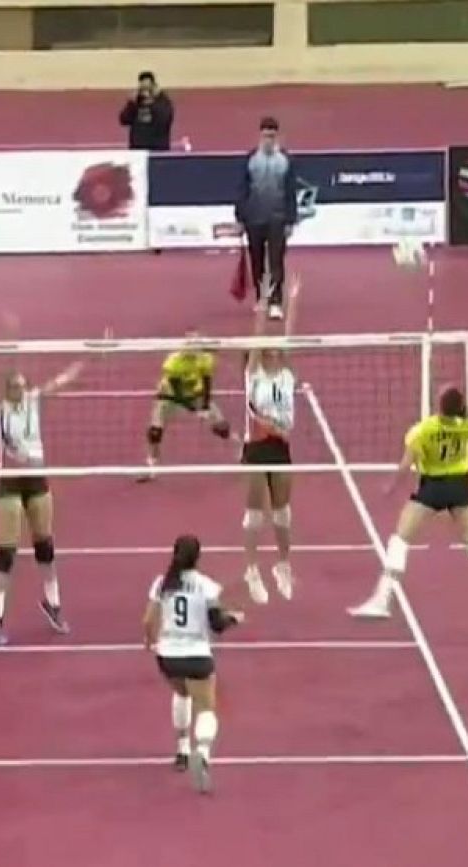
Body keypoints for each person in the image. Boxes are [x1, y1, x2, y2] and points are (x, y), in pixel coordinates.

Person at [350, 384, 468, 628]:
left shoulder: (422, 430)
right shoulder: (467, 427)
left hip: (433, 488)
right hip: (462, 486)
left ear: (440, 404)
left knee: (400, 540)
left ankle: (382, 600)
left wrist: (391, 486)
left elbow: (407, 464)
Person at [0, 334, 108, 645]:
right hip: (10, 483)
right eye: (15, 387)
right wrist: (10, 344)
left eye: (23, 385)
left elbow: (64, 379)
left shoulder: (33, 400)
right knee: (7, 552)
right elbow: (2, 378)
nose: (21, 390)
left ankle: (53, 604)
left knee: (45, 545)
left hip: (38, 479)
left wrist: (91, 355)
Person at [142, 534, 245, 794]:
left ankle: (182, 750)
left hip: (167, 657)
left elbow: (147, 620)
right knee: (207, 707)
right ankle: (203, 751)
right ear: (198, 557)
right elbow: (216, 625)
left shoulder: (162, 584)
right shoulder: (207, 586)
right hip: (197, 656)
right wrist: (234, 618)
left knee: (181, 693)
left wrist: (149, 640)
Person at [240, 281, 299, 604]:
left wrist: (292, 300)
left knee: (282, 512)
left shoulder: (288, 374)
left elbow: (289, 333)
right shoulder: (254, 374)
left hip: (281, 448)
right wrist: (262, 306)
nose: (273, 347)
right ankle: (251, 570)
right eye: (268, 345)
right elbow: (257, 337)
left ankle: (283, 565)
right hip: (256, 446)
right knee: (254, 514)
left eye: (277, 345)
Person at [139, 328, 233, 481]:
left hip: (196, 395)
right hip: (170, 397)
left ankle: (241, 451)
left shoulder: (205, 359)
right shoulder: (173, 362)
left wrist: (205, 405)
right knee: (154, 432)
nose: (192, 346)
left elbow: (207, 383)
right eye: (189, 342)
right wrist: (194, 409)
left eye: (196, 343)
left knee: (222, 428)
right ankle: (151, 466)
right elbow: (177, 392)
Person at [234, 117, 298, 320]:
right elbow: (242, 190)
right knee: (257, 261)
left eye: (272, 136)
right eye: (265, 136)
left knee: (276, 261)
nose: (268, 140)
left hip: (278, 219)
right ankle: (262, 297)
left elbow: (291, 192)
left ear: (277, 136)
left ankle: (276, 302)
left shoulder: (286, 160)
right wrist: (240, 218)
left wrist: (290, 220)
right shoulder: (251, 159)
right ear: (260, 136)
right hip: (254, 219)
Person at [119, 71, 175, 152]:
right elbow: (123, 120)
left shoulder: (163, 102)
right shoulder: (136, 103)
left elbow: (165, 120)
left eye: (148, 87)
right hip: (138, 149)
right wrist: (131, 104)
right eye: (143, 88)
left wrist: (153, 103)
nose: (145, 92)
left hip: (158, 148)